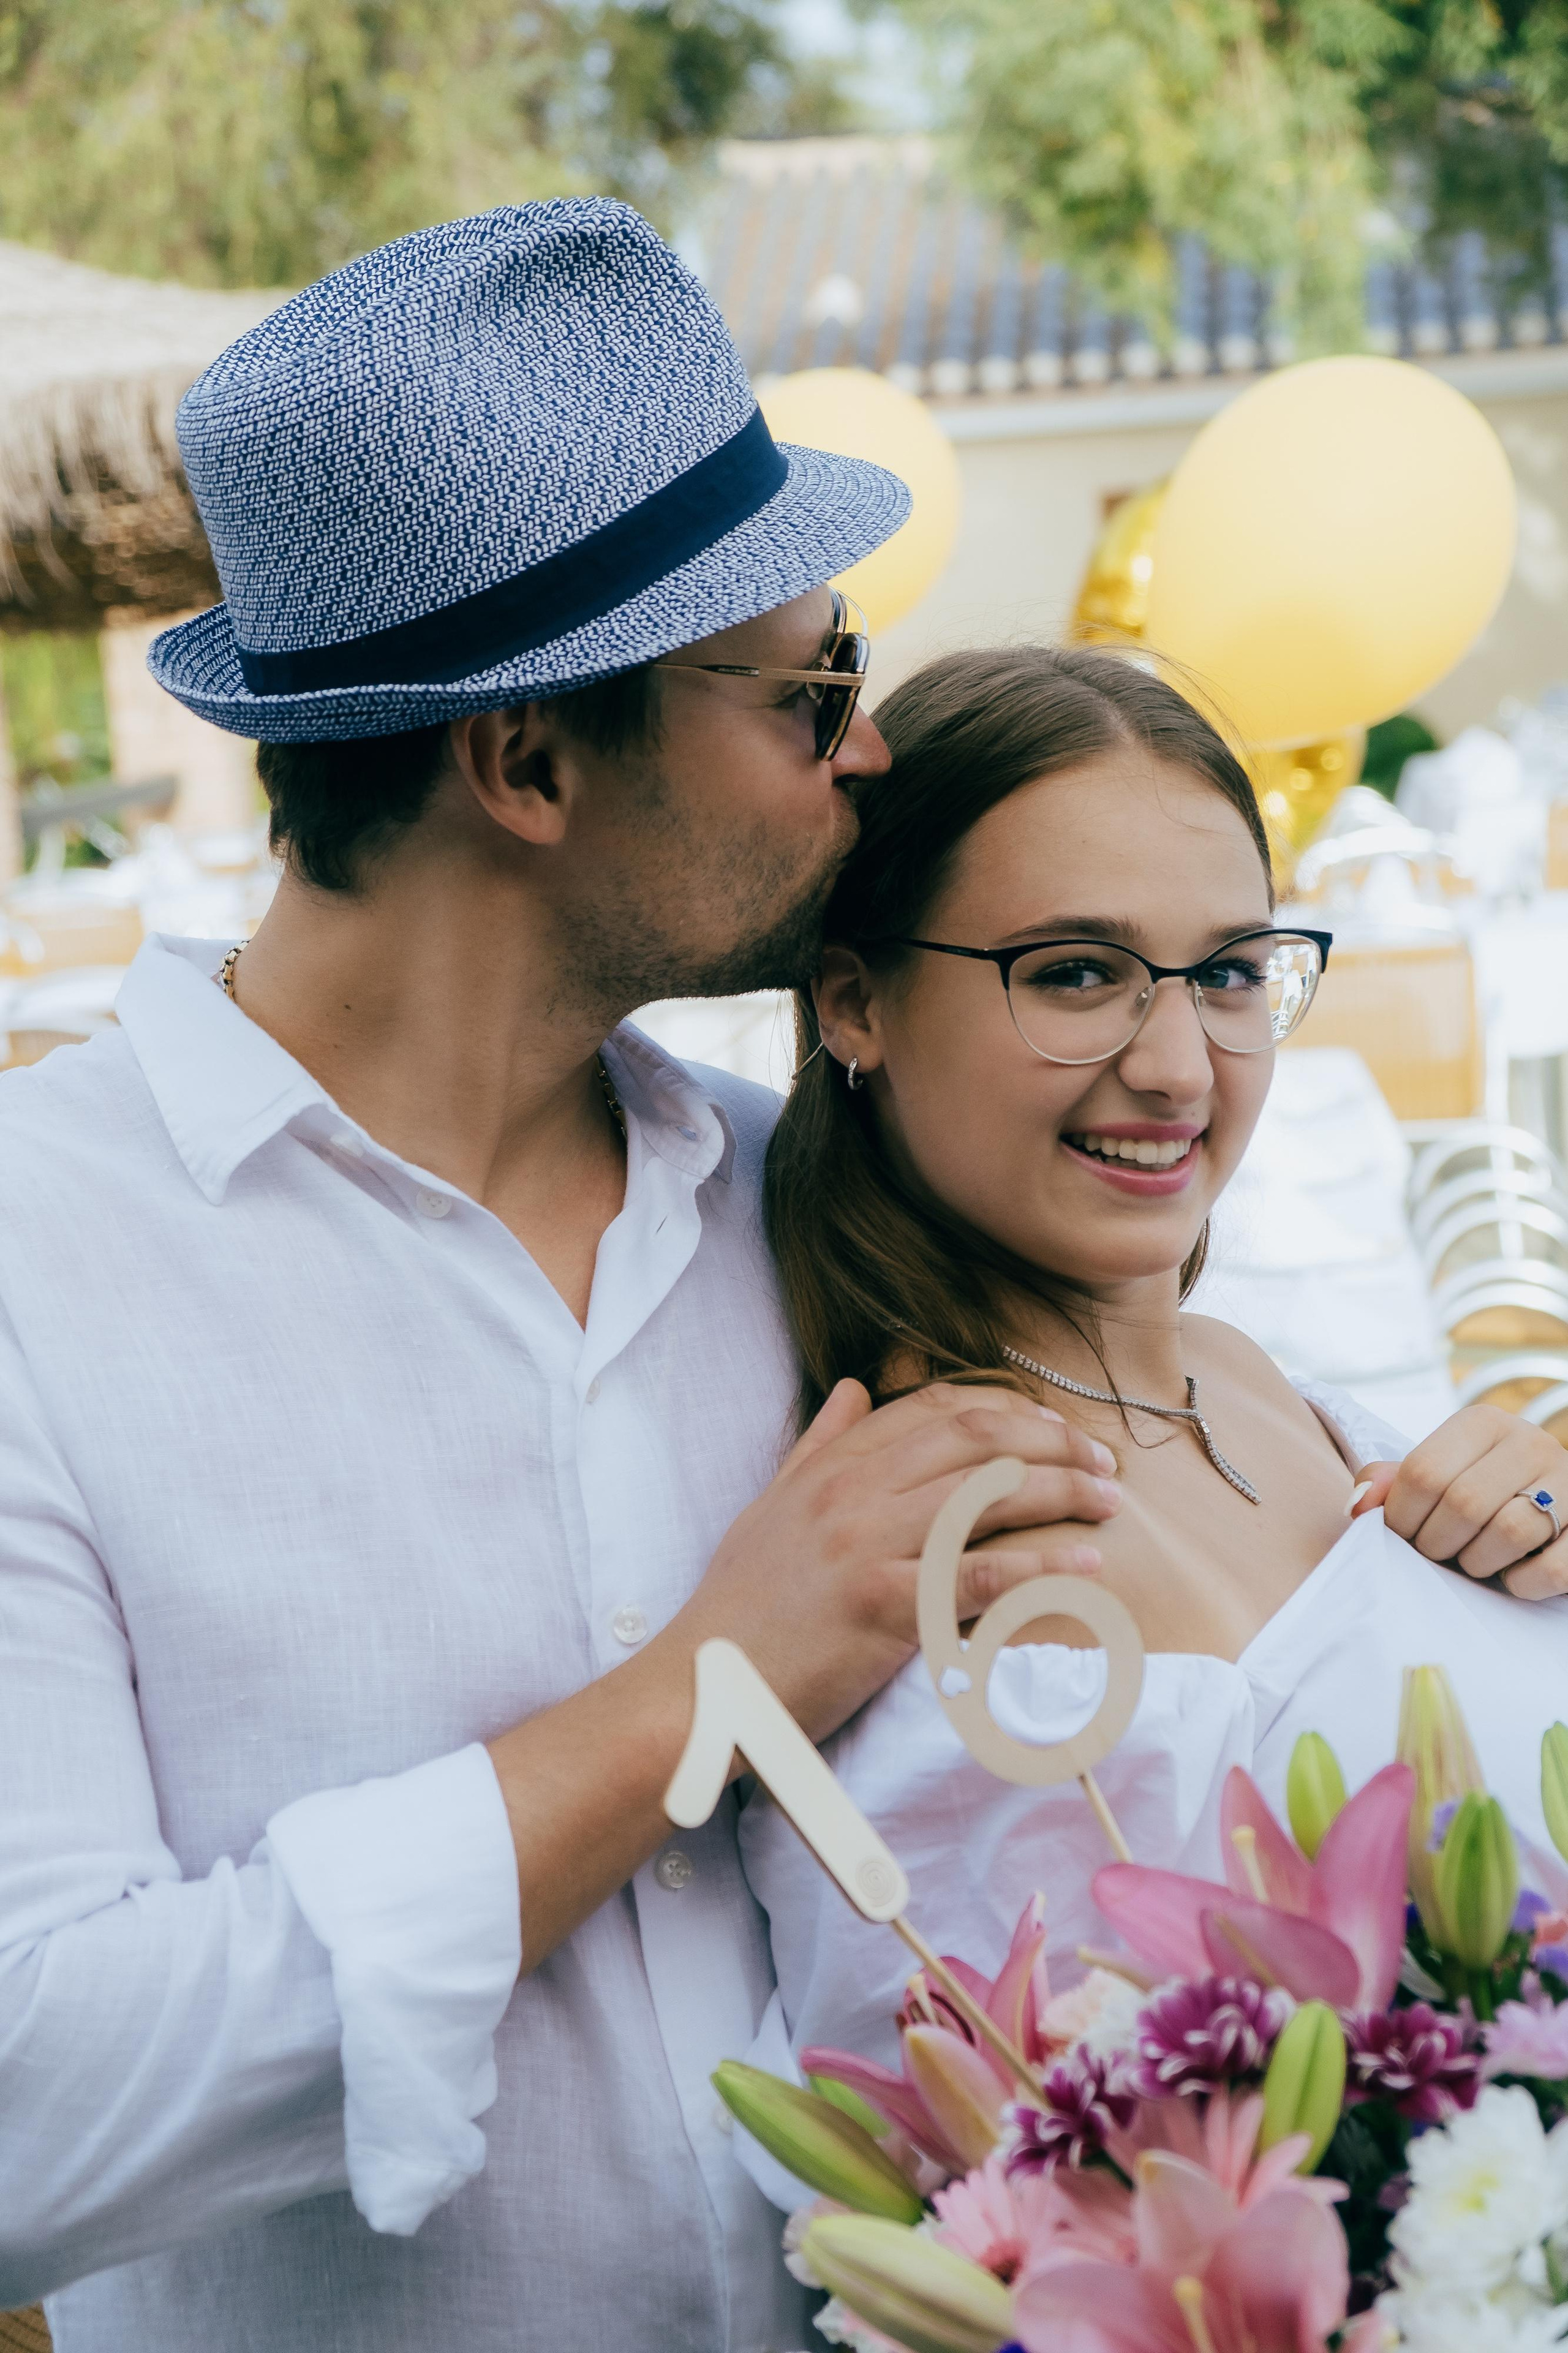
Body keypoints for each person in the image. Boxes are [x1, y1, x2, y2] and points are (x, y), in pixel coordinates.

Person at [0, 209, 1122, 2351]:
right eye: (813, 692)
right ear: (522, 763)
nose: (862, 756)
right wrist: (696, 1699)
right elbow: (29, 2108)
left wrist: (1463, 1497)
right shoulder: (33, 1272)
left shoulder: (814, 1195)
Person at [739, 644, 1568, 2087]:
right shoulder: (962, 1556)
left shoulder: (1260, 1380)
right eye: (1074, 974)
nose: (1181, 1066)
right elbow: (1043, 2203)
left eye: (1232, 972)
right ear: (852, 1001)